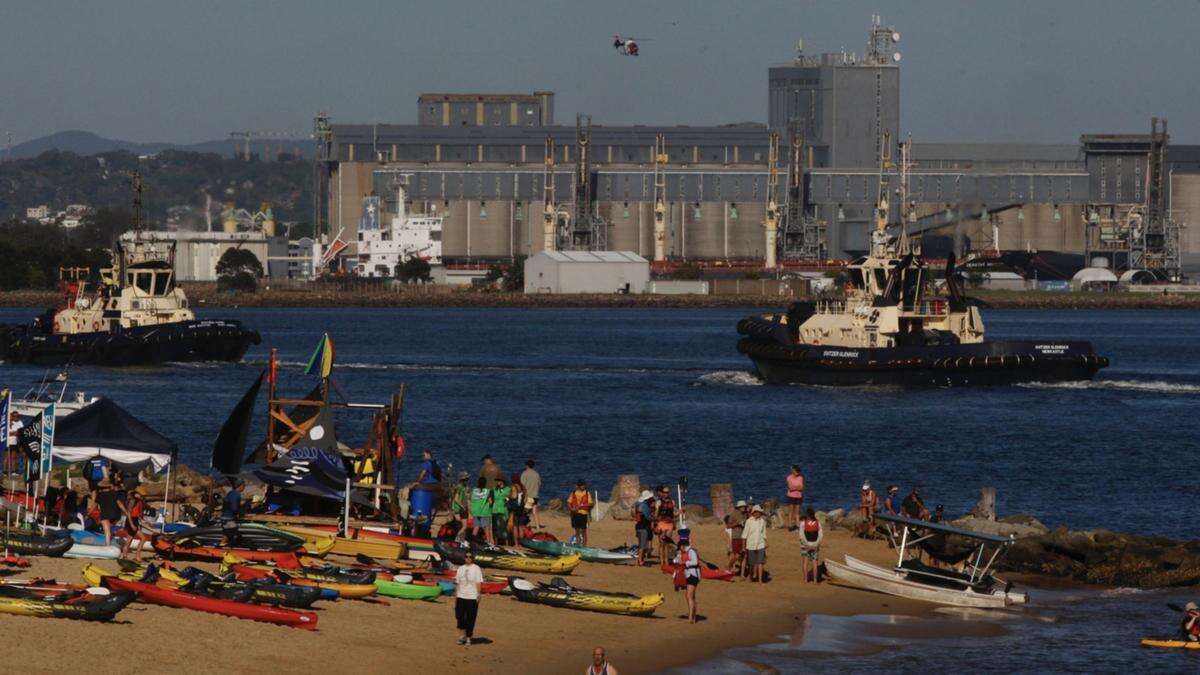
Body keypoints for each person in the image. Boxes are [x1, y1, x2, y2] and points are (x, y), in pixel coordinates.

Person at [454, 551, 484, 645]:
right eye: (466, 557)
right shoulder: (460, 568)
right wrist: (455, 597)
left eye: (470, 557)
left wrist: (478, 594)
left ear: (472, 558)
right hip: (461, 596)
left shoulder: (476, 568)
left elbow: (478, 582)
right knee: (459, 616)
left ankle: (468, 637)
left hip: (472, 597)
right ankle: (462, 635)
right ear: (464, 558)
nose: (468, 558)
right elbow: (458, 583)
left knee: (471, 618)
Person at [673, 536, 701, 624]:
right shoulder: (684, 552)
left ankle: (690, 618)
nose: (680, 550)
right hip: (689, 575)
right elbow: (676, 560)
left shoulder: (691, 551)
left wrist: (685, 562)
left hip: (693, 575)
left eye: (680, 548)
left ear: (682, 546)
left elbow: (695, 562)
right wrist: (678, 559)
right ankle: (693, 616)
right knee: (692, 597)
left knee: (689, 596)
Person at [95, 480, 128, 547]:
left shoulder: (99, 495)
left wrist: (88, 514)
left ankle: (107, 545)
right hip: (116, 515)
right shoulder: (114, 493)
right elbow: (120, 504)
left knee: (107, 531)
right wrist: (126, 512)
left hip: (105, 514)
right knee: (110, 528)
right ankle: (112, 538)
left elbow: (94, 506)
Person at [743, 504, 768, 582]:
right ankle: (750, 576)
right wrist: (743, 547)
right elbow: (744, 535)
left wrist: (766, 542)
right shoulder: (749, 521)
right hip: (750, 545)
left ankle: (760, 580)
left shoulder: (762, 521)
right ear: (753, 512)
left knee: (760, 562)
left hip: (760, 544)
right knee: (751, 563)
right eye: (756, 512)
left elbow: (764, 533)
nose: (758, 513)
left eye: (759, 512)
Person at [121, 488, 147, 561]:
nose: (141, 496)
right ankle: (135, 556)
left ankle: (126, 556)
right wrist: (132, 524)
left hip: (135, 520)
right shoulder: (133, 501)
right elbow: (129, 513)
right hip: (131, 521)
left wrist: (143, 520)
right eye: (140, 494)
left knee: (130, 540)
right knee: (142, 538)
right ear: (135, 494)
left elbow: (138, 513)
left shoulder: (139, 501)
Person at [799, 508, 824, 584]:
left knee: (805, 563)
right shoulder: (818, 523)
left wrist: (807, 545)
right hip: (815, 545)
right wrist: (816, 544)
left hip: (805, 546)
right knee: (815, 563)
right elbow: (820, 535)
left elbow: (801, 536)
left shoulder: (803, 523)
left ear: (807, 515)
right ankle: (815, 580)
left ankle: (806, 579)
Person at [653, 485, 676, 564]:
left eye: (667, 492)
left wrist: (679, 514)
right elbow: (656, 515)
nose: (666, 494)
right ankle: (662, 561)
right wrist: (655, 525)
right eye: (664, 492)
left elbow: (673, 514)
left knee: (667, 543)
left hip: (669, 524)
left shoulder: (672, 502)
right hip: (661, 524)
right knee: (662, 543)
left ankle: (666, 562)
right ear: (662, 493)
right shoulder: (659, 502)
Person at [567, 480, 594, 546]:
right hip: (575, 514)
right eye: (582, 485)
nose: (583, 486)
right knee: (577, 531)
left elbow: (590, 503)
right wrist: (571, 509)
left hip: (583, 514)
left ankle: (584, 546)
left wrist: (581, 506)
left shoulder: (587, 493)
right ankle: (578, 544)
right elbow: (569, 502)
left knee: (584, 532)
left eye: (584, 485)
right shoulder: (573, 493)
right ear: (578, 486)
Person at [725, 499, 748, 575]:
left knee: (744, 556)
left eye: (744, 506)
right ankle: (729, 566)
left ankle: (742, 574)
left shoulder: (746, 514)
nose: (743, 508)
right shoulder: (733, 514)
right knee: (737, 556)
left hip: (744, 537)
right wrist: (737, 524)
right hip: (736, 537)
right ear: (738, 507)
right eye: (742, 507)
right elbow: (728, 526)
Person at [469, 477, 494, 544]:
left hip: (475, 512)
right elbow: (490, 502)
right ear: (485, 483)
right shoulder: (487, 491)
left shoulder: (474, 490)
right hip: (484, 512)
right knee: (486, 528)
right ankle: (489, 544)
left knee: (476, 527)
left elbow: (471, 500)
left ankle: (472, 542)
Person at [221, 478, 245, 548]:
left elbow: (230, 504)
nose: (244, 488)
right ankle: (228, 549)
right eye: (243, 486)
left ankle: (220, 547)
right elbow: (234, 508)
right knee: (235, 536)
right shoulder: (236, 494)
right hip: (229, 518)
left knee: (226, 535)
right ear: (240, 486)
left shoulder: (231, 493)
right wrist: (240, 512)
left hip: (224, 518)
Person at [520, 459, 542, 530]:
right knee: (535, 511)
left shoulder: (524, 473)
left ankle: (524, 526)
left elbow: (522, 485)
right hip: (535, 496)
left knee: (524, 512)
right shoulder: (537, 474)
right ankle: (538, 526)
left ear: (527, 465)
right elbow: (539, 484)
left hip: (528, 496)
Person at [634, 490, 655, 566]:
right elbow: (648, 518)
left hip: (638, 526)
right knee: (643, 546)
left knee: (641, 544)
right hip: (644, 527)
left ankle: (640, 560)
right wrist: (654, 518)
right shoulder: (644, 506)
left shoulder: (637, 504)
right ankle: (640, 561)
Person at [491, 477, 512, 545]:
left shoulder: (508, 489)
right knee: (496, 527)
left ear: (502, 481)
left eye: (498, 480)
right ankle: (496, 543)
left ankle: (506, 543)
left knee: (504, 527)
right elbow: (491, 498)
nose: (497, 482)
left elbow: (511, 497)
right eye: (497, 481)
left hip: (503, 510)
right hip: (495, 510)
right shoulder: (494, 489)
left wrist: (507, 499)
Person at [785, 466, 805, 531]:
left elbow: (802, 488)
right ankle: (790, 525)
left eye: (798, 471)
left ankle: (797, 525)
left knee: (797, 512)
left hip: (798, 496)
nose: (798, 473)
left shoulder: (801, 477)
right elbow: (790, 488)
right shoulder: (789, 477)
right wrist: (797, 488)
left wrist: (795, 488)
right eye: (796, 471)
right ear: (793, 471)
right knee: (791, 511)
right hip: (791, 496)